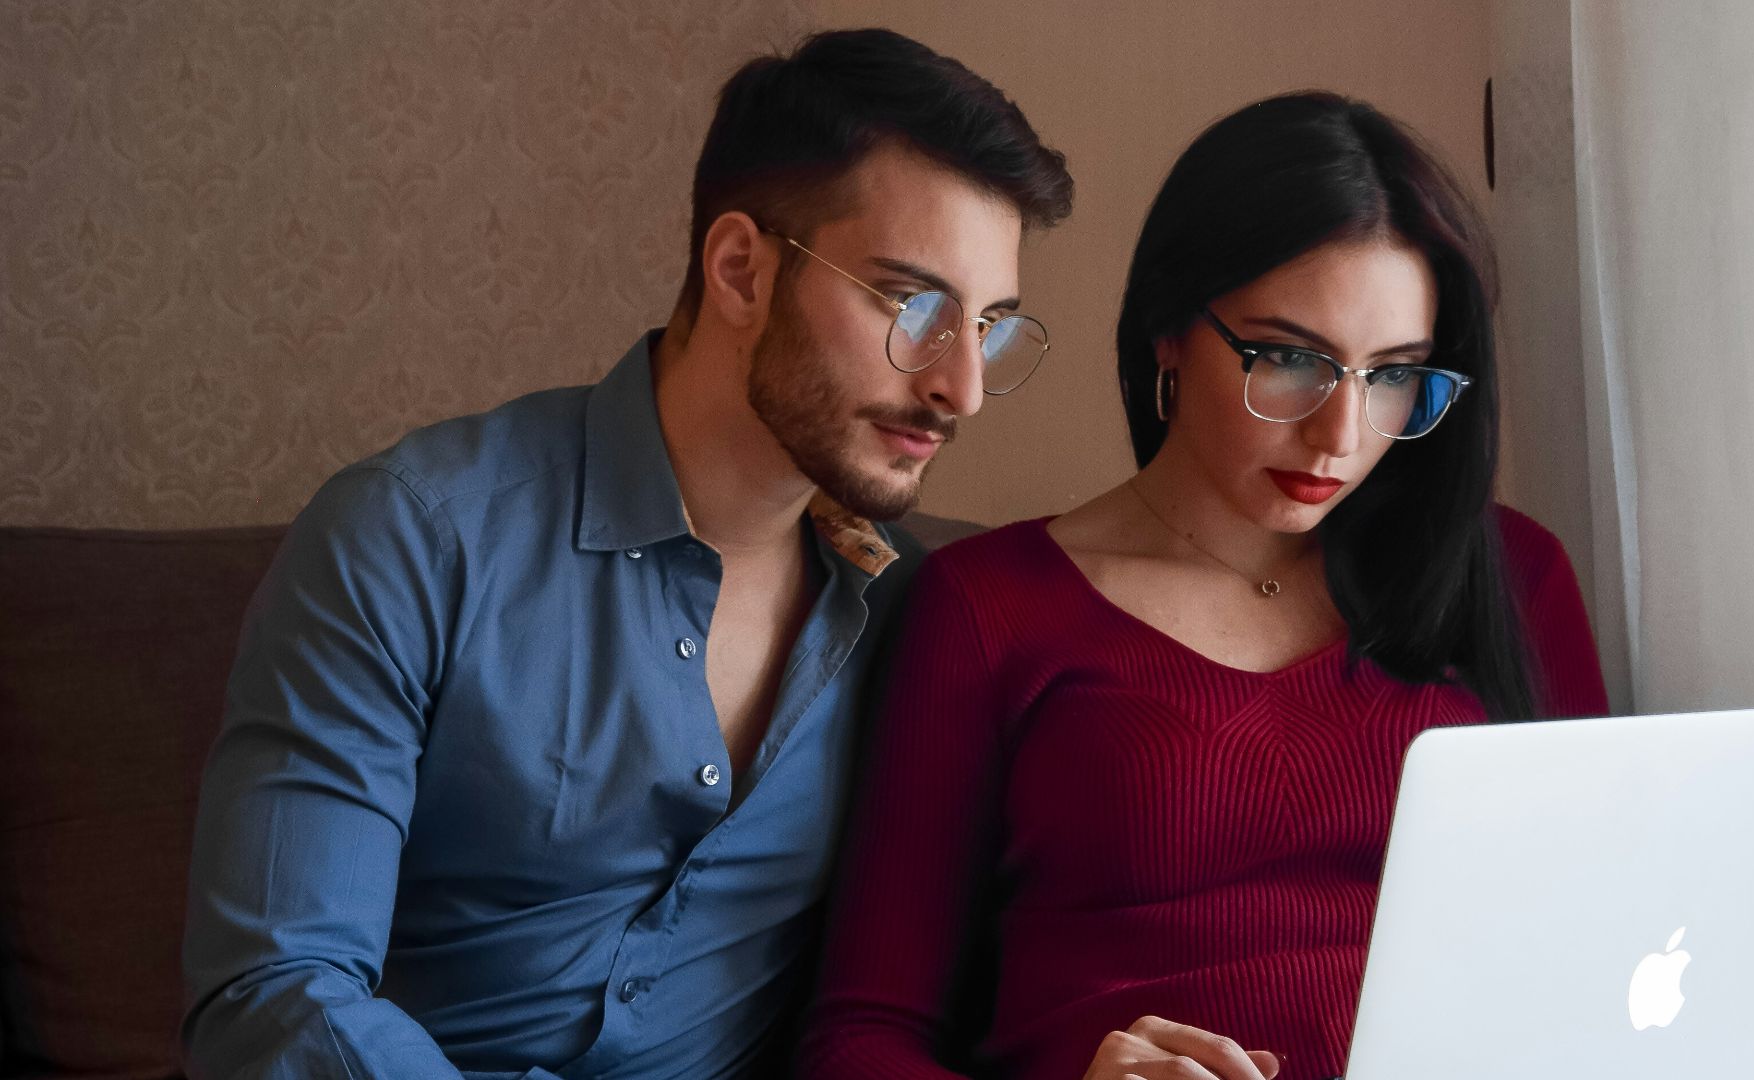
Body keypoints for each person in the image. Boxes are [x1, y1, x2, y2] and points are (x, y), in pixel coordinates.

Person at [180, 28, 1072, 1079]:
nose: (960, 385)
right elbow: (271, 995)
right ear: (741, 268)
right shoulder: (411, 538)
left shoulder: (917, 613)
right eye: (913, 305)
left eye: (992, 326)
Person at [795, 91, 1608, 1080]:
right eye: (1288, 360)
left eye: (1394, 375)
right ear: (1168, 330)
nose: (1341, 437)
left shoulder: (1511, 579)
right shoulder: (989, 610)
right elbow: (860, 1037)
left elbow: (1608, 952)